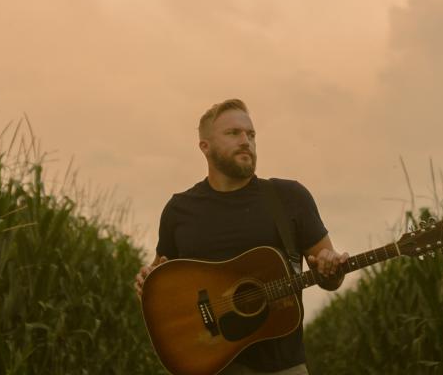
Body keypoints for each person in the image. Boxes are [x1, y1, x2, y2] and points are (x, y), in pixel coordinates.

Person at [134, 99, 349, 375]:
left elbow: (330, 277)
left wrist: (331, 268)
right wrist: (148, 283)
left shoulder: (289, 198)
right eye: (233, 133)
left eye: (251, 134)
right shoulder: (180, 210)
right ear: (205, 146)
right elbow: (162, 278)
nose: (246, 141)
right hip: (208, 366)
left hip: (282, 367)